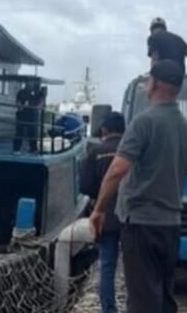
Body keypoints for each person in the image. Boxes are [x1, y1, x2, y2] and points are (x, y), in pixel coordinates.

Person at [89, 60, 187, 313]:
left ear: (154, 84)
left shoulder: (144, 122)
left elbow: (117, 169)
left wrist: (99, 209)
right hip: (171, 223)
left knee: (142, 300)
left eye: (148, 79)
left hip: (141, 223)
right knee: (164, 297)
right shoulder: (185, 128)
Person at [79, 112, 126, 313]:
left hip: (105, 215)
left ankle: (108, 309)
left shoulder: (95, 152)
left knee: (107, 266)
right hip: (131, 216)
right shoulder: (131, 150)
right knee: (136, 266)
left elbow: (85, 186)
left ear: (105, 129)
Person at [13, 80, 45, 154]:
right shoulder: (21, 92)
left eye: (31, 82)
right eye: (27, 82)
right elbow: (17, 101)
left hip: (32, 114)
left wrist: (37, 107)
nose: (28, 83)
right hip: (22, 114)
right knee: (19, 132)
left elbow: (41, 102)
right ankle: (16, 149)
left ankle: (33, 149)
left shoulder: (38, 93)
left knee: (32, 132)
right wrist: (19, 106)